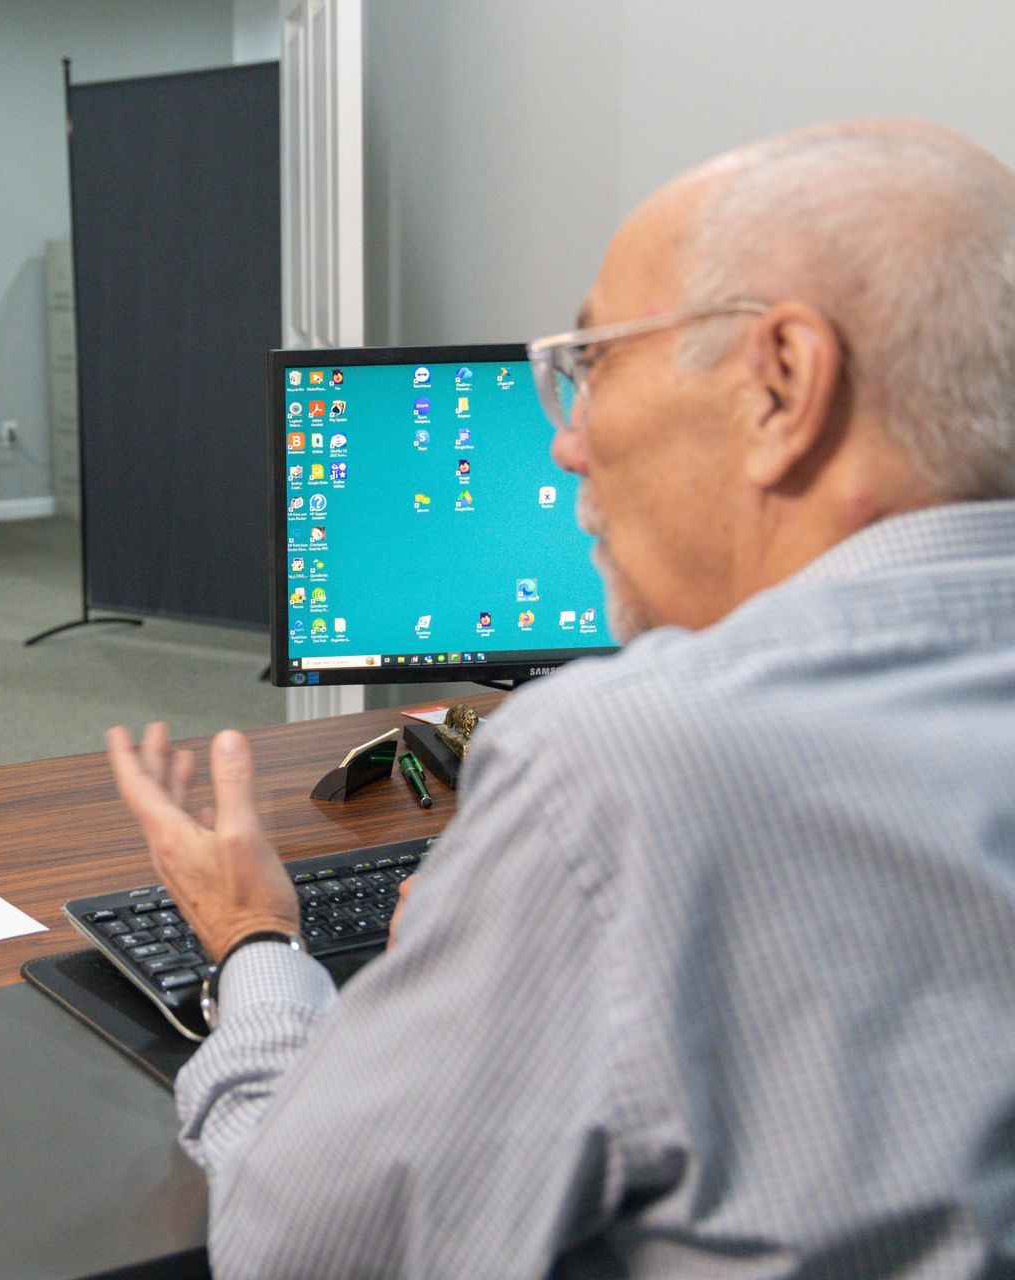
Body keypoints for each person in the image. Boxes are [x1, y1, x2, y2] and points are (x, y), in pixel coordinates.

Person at [109, 119, 1015, 1277]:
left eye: (591, 364)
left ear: (784, 381)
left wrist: (253, 942)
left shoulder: (626, 757)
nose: (568, 445)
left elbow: (304, 1248)